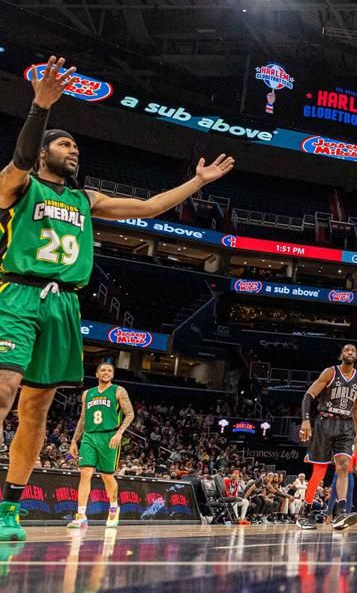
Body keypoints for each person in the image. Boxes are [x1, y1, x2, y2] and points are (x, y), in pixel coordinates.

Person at [0, 56, 236, 542]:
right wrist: (40, 109)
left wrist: (198, 182)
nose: (74, 151)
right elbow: (19, 159)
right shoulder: (18, 186)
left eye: (76, 146)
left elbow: (149, 208)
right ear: (45, 152)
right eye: (65, 143)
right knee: (3, 390)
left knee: (36, 411)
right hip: (18, 293)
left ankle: (8, 509)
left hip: (65, 306)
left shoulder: (86, 200)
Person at [296, 344, 357, 531]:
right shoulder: (330, 372)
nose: (350, 353)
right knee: (319, 472)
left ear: (356, 357)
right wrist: (305, 420)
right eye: (347, 350)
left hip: (346, 425)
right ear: (341, 355)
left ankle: (342, 512)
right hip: (325, 422)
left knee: (343, 465)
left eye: (353, 351)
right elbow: (309, 396)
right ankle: (305, 512)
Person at [66, 361, 134, 529]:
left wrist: (119, 433)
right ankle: (81, 515)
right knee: (85, 473)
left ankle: (113, 508)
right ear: (97, 374)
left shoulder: (118, 390)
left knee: (107, 476)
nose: (106, 372)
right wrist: (74, 440)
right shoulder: (87, 393)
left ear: (113, 374)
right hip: (89, 436)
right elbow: (83, 418)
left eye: (109, 370)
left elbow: (130, 414)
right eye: (102, 370)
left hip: (109, 435)